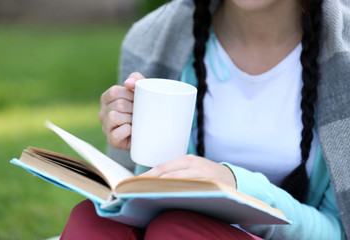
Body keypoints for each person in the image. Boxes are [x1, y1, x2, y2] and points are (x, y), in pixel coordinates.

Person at [60, 0, 350, 239]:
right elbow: (129, 201)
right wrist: (142, 146)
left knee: (175, 231)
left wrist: (237, 189)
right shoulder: (153, 38)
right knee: (93, 221)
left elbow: (339, 231)